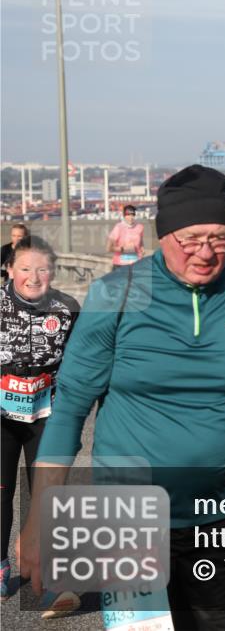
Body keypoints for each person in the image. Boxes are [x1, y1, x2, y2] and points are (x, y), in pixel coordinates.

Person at [18, 165, 225, 630]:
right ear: (163, 234)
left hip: (221, 514)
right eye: (191, 238)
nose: (206, 252)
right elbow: (70, 409)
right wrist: (39, 522)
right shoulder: (118, 293)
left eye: (220, 238)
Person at [1, 235, 81, 617]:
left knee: (47, 495)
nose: (35, 277)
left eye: (43, 269)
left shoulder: (67, 309)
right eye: (26, 269)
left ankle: (50, 581)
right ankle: (1, 565)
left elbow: (83, 363)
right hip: (1, 413)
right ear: (10, 270)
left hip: (46, 411)